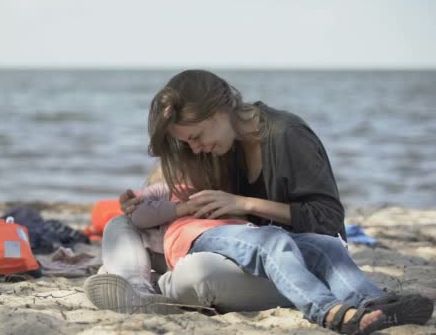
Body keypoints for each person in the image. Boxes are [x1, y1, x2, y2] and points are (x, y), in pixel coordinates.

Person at [84, 70, 433, 334]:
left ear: (220, 110)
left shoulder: (287, 134)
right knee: (122, 224)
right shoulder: (217, 148)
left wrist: (245, 204)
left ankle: (371, 304)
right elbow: (163, 197)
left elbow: (327, 221)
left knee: (200, 271)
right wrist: (144, 200)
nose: (196, 147)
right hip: (243, 254)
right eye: (187, 143)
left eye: (197, 137)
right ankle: (135, 285)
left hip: (297, 255)